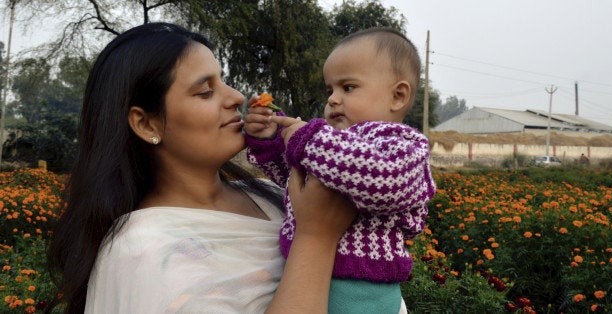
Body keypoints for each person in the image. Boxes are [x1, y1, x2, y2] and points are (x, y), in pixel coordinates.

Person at [47, 22, 356, 313]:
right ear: (146, 123)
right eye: (205, 91)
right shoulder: (144, 252)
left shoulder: (271, 194)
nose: (236, 97)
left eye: (222, 81)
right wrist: (315, 238)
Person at [244, 28, 436, 313]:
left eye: (347, 87)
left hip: (362, 292)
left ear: (397, 96)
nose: (333, 99)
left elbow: (381, 178)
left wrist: (306, 140)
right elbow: (296, 183)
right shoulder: (333, 147)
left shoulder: (403, 145)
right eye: (329, 90)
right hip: (308, 274)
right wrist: (271, 141)